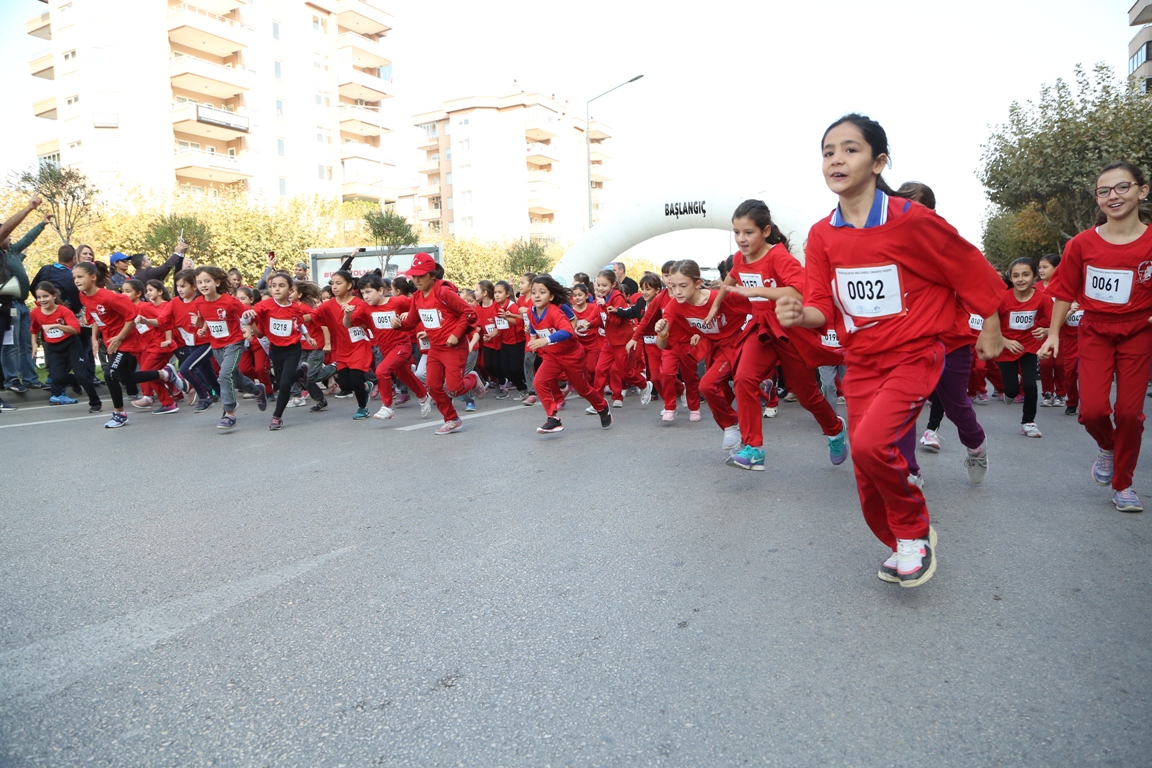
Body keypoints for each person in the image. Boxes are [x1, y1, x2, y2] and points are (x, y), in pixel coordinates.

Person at [775, 113, 1004, 588]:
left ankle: (914, 532)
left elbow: (972, 271)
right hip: (861, 360)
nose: (836, 158)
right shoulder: (822, 235)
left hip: (914, 353)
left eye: (850, 149)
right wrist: (802, 314)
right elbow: (822, 305)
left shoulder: (912, 221)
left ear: (879, 162)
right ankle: (903, 540)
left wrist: (992, 327)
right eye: (828, 151)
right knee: (865, 464)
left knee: (870, 443)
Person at [1040, 160, 1152, 513]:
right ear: (1097, 199)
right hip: (1095, 331)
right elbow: (1063, 292)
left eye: (1123, 187)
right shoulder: (1080, 244)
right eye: (1104, 191)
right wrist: (1053, 334)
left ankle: (1123, 484)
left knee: (1131, 414)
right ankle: (1108, 445)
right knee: (1092, 410)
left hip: (1138, 333)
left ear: (1142, 190)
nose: (1113, 196)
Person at [713, 200, 848, 471]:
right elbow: (732, 278)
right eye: (736, 232)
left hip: (790, 328)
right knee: (743, 378)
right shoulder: (739, 258)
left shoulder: (778, 256)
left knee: (808, 396)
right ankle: (753, 449)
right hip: (761, 328)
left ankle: (834, 429)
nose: (741, 239)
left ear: (765, 231)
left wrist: (757, 292)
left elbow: (800, 293)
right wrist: (715, 303)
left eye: (748, 232)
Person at [888, 181, 998, 487]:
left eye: (913, 206)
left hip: (949, 341)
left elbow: (981, 283)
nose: (905, 214)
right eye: (901, 206)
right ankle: (910, 470)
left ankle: (975, 444)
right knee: (904, 405)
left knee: (955, 406)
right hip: (907, 344)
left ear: (930, 212)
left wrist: (991, 327)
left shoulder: (946, 242)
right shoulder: (887, 246)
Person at [655, 259, 757, 452]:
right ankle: (741, 423)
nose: (677, 292)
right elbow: (663, 345)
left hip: (735, 344)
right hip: (713, 350)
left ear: (698, 283)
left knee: (707, 385)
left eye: (683, 286)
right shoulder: (674, 307)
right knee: (717, 393)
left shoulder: (720, 298)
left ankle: (732, 425)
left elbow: (759, 307)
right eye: (673, 286)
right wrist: (662, 332)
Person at [75, 262, 185, 428]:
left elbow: (131, 317)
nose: (76, 280)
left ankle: (120, 414)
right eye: (74, 277)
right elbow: (95, 317)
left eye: (80, 276)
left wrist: (119, 337)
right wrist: (94, 340)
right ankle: (164, 374)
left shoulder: (110, 297)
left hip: (126, 339)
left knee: (110, 373)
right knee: (125, 378)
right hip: (111, 341)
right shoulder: (83, 295)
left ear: (93, 277)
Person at [391, 252, 485, 434]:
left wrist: (456, 334)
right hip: (435, 347)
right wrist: (399, 325)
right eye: (414, 276)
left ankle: (472, 379)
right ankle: (452, 419)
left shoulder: (444, 292)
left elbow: (469, 313)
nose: (417, 280)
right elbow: (410, 322)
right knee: (433, 386)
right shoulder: (417, 297)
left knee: (454, 389)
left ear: (432, 275)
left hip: (453, 347)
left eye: (421, 276)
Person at [525, 274, 612, 433]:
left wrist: (546, 340)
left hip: (571, 355)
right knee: (539, 382)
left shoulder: (554, 312)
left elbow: (567, 332)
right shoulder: (531, 312)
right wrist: (532, 339)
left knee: (583, 390)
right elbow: (532, 325)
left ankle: (602, 406)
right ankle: (553, 418)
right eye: (534, 292)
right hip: (553, 356)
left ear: (551, 296)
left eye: (542, 292)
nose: (537, 295)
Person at [189, 265, 267, 429]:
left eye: (207, 281)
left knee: (224, 375)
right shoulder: (198, 302)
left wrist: (247, 324)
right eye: (200, 282)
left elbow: (247, 317)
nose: (203, 285)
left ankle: (229, 413)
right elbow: (207, 320)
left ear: (217, 282)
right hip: (217, 345)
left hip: (234, 342)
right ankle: (257, 390)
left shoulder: (230, 301)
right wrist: (201, 326)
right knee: (235, 378)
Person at [348, 273, 431, 421]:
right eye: (362, 293)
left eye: (368, 292)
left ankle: (387, 406)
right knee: (405, 375)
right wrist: (348, 314)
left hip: (402, 345)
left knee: (382, 371)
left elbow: (417, 304)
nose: (365, 296)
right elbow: (350, 323)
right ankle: (424, 396)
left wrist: (408, 313)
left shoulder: (397, 302)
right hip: (385, 349)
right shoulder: (364, 307)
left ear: (380, 290)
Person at [243, 271, 311, 430]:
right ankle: (301, 373)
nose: (277, 289)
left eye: (281, 286)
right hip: (276, 349)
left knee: (285, 384)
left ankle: (277, 416)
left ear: (290, 290)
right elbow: (249, 318)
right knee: (281, 384)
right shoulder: (264, 306)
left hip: (293, 348)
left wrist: (307, 336)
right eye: (273, 286)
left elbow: (299, 322)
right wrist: (247, 318)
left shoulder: (295, 307)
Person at [994, 257, 1051, 438]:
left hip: (1028, 346)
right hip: (1005, 346)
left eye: (1025, 274)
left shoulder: (1043, 299)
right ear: (1010, 278)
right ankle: (1010, 390)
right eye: (1016, 275)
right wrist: (1004, 341)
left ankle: (1028, 422)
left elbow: (1055, 323)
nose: (1020, 279)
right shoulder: (1002, 299)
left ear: (1034, 276)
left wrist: (1047, 330)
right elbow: (989, 325)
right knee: (1011, 391)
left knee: (1030, 384)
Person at [1, 196, 50, 394]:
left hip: (21, 304)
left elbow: (27, 239)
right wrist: (29, 208)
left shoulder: (12, 251)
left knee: (28, 344)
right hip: (7, 305)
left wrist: (42, 224)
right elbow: (5, 229)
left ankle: (30, 379)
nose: (10, 238)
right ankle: (12, 379)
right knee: (10, 345)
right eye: (7, 236)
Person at [29, 281, 100, 410]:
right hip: (53, 347)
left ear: (54, 296)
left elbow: (75, 329)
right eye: (39, 297)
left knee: (82, 376)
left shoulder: (63, 310)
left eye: (45, 296)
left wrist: (57, 325)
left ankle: (95, 402)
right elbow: (34, 330)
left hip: (71, 344)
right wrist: (34, 344)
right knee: (56, 378)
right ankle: (73, 381)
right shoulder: (35, 313)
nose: (42, 300)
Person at [319, 270, 374, 419]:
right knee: (345, 385)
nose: (334, 287)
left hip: (358, 346)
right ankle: (365, 386)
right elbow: (313, 316)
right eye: (332, 283)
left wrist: (348, 314)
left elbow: (350, 324)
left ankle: (363, 408)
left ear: (349, 285)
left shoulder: (357, 303)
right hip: (342, 349)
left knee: (355, 378)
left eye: (339, 283)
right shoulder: (329, 305)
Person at [593, 269, 649, 408]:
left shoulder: (618, 298)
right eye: (598, 285)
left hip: (622, 341)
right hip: (609, 341)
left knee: (625, 372)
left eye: (604, 285)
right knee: (599, 370)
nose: (601, 288)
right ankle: (597, 402)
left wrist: (605, 306)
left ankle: (643, 384)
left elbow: (617, 321)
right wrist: (589, 324)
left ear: (612, 285)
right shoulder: (603, 299)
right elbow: (603, 320)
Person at [171, 269, 219, 413]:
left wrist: (201, 324)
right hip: (191, 344)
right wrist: (146, 320)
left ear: (193, 287)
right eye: (178, 286)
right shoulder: (174, 302)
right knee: (208, 374)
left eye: (183, 286)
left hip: (208, 342)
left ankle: (204, 397)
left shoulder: (202, 302)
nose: (179, 289)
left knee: (186, 369)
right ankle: (218, 394)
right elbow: (162, 320)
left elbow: (215, 319)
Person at [1037, 253, 1070, 410]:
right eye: (1040, 267)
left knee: (1060, 364)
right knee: (1045, 364)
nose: (1041, 270)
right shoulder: (1035, 288)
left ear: (1057, 268)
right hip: (1041, 333)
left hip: (1063, 332)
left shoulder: (1066, 286)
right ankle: (1047, 392)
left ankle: (1061, 393)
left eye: (1045, 267)